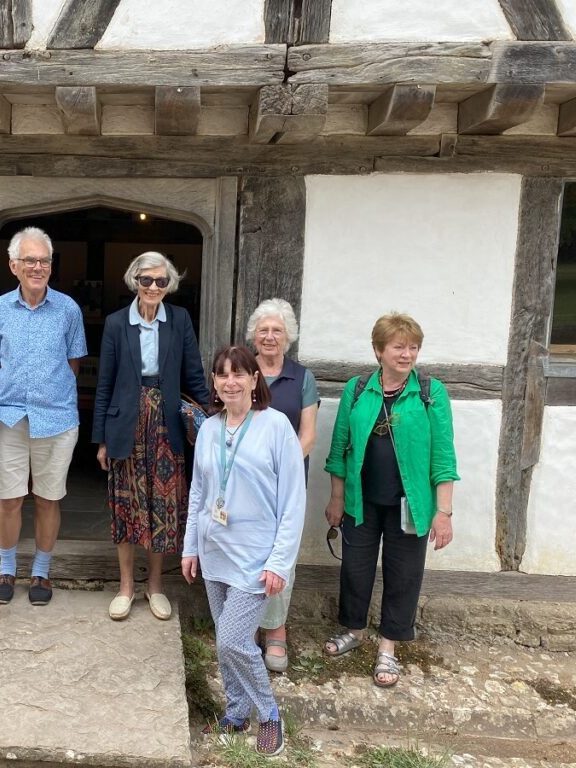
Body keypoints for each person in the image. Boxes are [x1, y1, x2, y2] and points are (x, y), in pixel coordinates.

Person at [181, 346, 305, 756]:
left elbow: (293, 500)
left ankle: (269, 714)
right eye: (222, 375)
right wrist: (190, 546)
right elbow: (199, 490)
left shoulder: (276, 427)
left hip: (256, 557)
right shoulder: (211, 428)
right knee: (224, 639)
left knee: (234, 640)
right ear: (214, 383)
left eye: (239, 374)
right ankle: (235, 713)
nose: (230, 382)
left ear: (255, 380)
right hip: (215, 551)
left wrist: (280, 561)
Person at [323, 313, 459, 687]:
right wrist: (336, 498)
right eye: (399, 347)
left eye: (413, 347)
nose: (407, 354)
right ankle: (354, 630)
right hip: (360, 501)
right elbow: (339, 450)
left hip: (410, 506)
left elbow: (443, 458)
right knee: (355, 568)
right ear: (379, 350)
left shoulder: (431, 393)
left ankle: (388, 648)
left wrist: (443, 512)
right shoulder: (357, 388)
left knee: (403, 576)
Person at [92, 252, 210, 621]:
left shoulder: (179, 320)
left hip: (166, 424)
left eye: (161, 281)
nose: (154, 287)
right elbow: (104, 384)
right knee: (126, 507)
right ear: (135, 282)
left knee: (163, 506)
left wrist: (213, 425)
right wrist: (101, 439)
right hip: (125, 424)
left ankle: (155, 585)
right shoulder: (115, 323)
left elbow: (194, 375)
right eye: (147, 280)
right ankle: (126, 586)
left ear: (169, 285)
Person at [0, 227, 87, 606]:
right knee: (8, 498)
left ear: (50, 266)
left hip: (56, 418)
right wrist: (17, 389)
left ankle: (41, 571)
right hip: (8, 417)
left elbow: (72, 364)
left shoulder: (68, 309)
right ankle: (6, 568)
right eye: (30, 260)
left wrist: (47, 393)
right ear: (14, 265)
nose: (37, 267)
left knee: (47, 498)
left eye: (44, 261)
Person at [246, 298, 319, 673]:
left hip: (287, 483)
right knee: (247, 552)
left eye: (277, 330)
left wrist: (279, 470)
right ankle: (246, 626)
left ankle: (276, 629)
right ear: (253, 337)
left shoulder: (303, 378)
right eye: (263, 331)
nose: (270, 337)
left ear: (287, 336)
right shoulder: (242, 370)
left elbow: (307, 436)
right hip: (246, 484)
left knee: (280, 555)